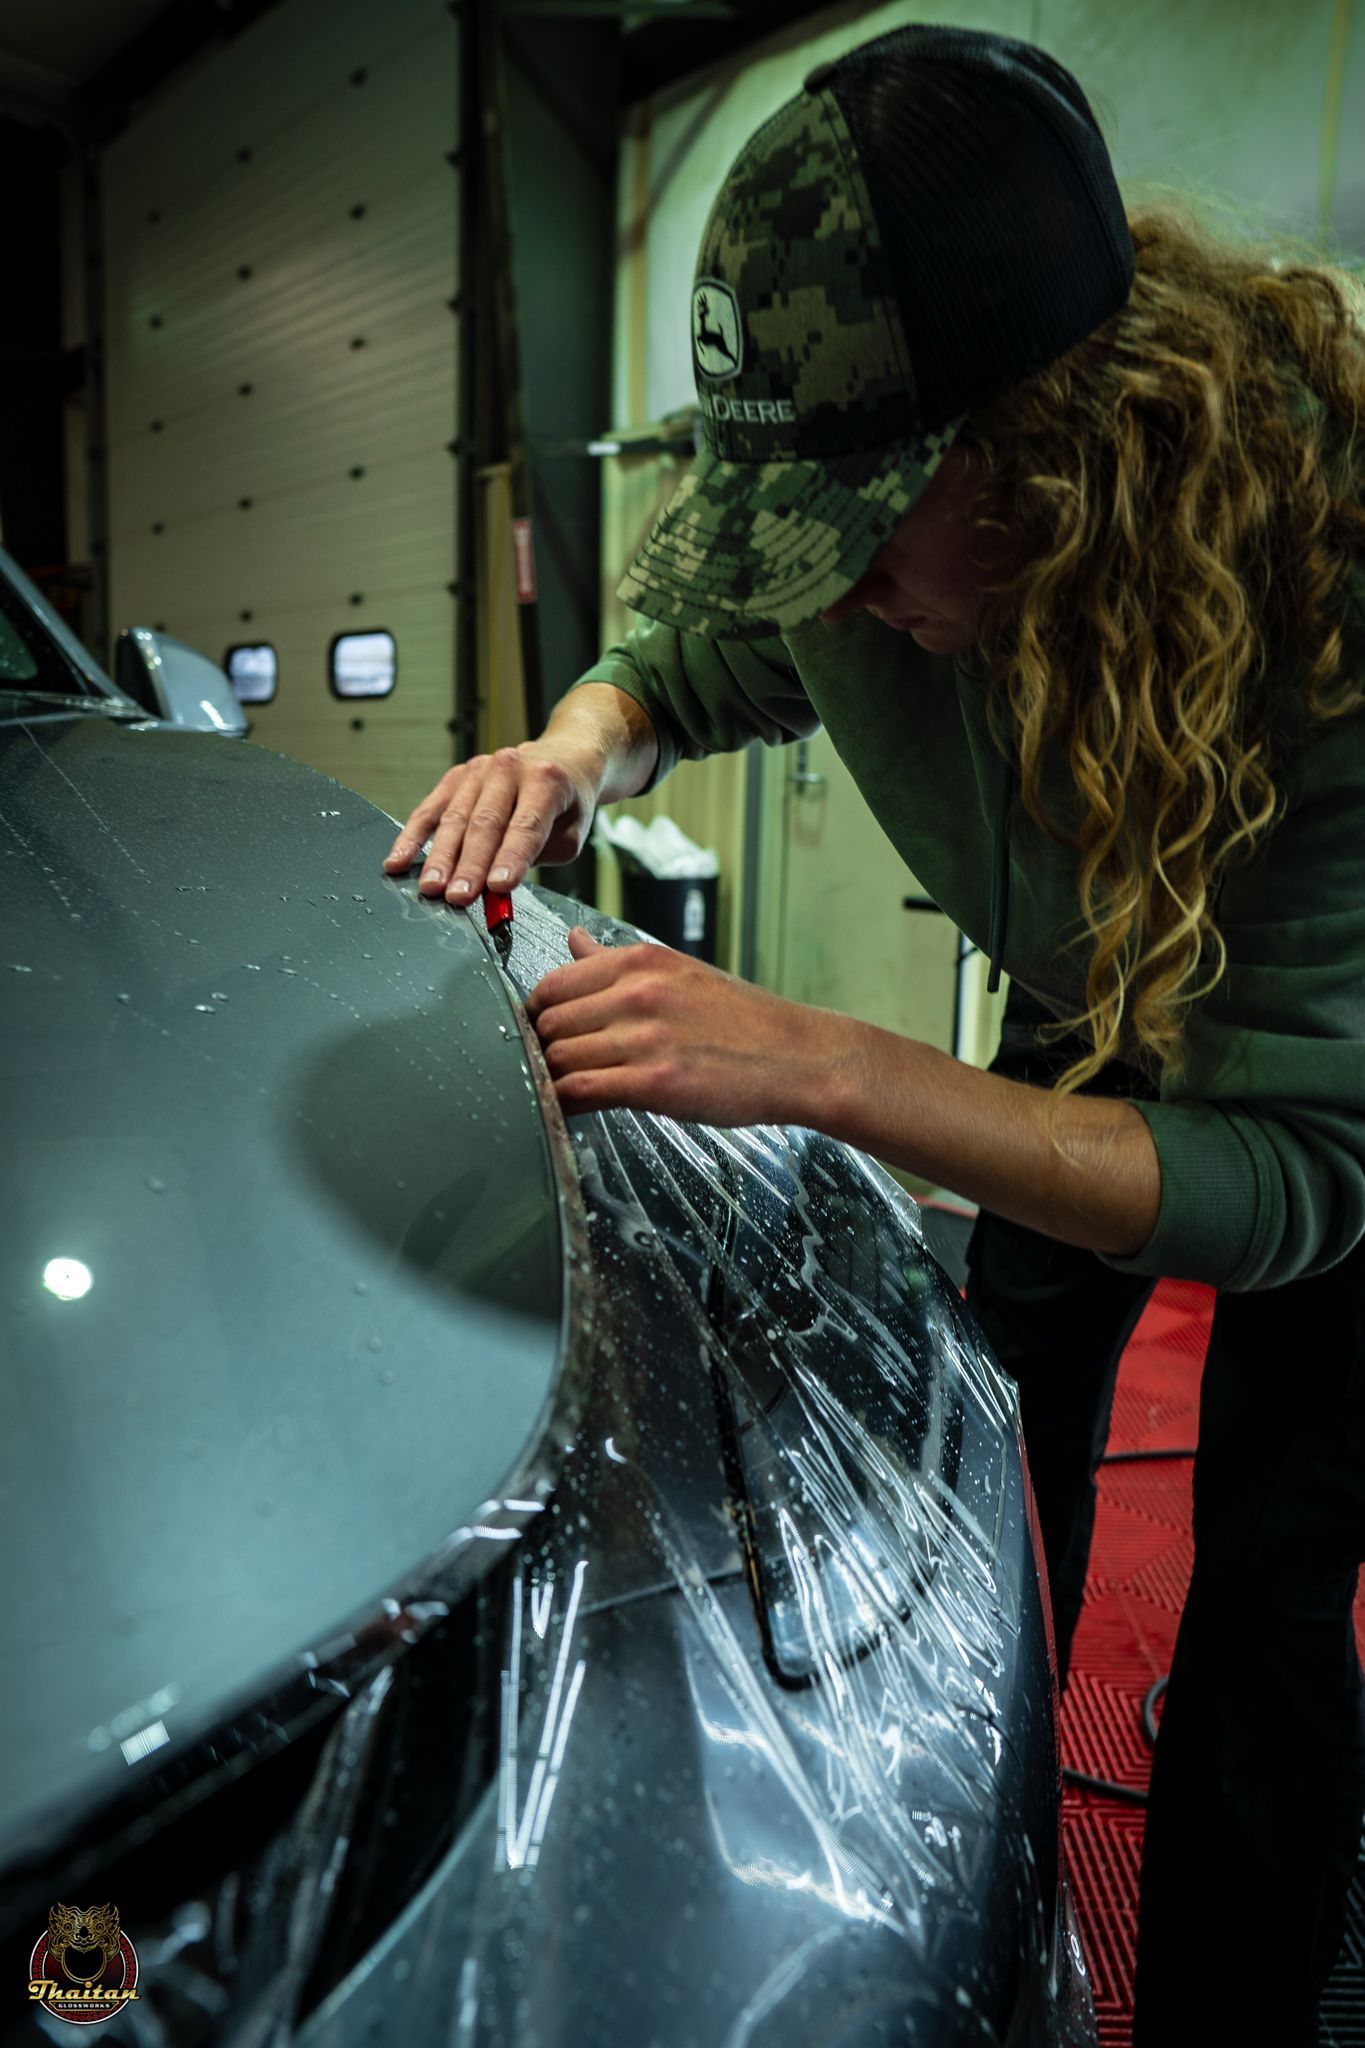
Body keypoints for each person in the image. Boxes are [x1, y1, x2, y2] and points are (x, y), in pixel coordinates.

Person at [383, 25, 1365, 2044]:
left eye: (870, 537)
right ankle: (993, 1862)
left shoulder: (1323, 599)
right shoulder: (859, 555)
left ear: (1055, 452)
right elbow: (685, 651)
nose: (835, 599)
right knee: (997, 1416)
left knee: (1273, 1572)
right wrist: (569, 749)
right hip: (1095, 982)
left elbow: (1298, 1180)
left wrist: (829, 1070)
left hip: (1321, 1086)